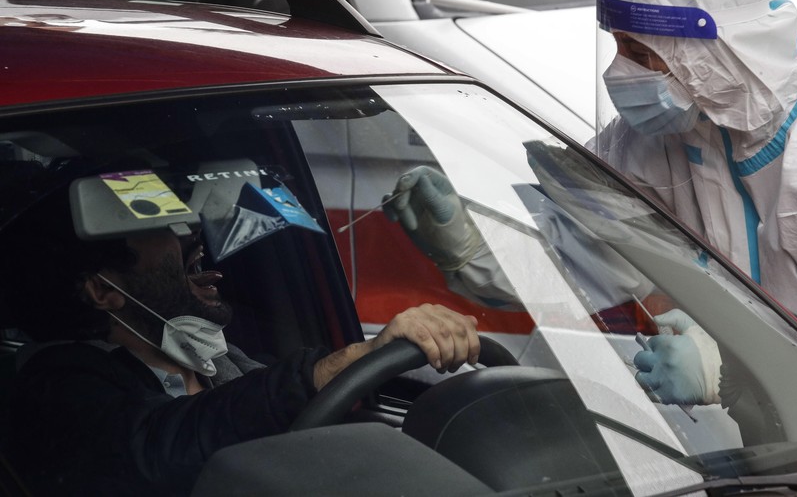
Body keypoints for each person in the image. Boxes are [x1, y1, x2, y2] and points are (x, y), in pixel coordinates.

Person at [385, 0, 797, 406]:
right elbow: (587, 253)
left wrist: (731, 372)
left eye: (639, 50)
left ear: (714, 49)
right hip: (777, 436)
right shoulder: (673, 130)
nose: (620, 70)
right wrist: (476, 247)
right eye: (617, 44)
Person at [3, 186, 480, 496]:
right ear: (105, 291)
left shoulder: (215, 355)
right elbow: (159, 449)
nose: (190, 232)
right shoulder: (56, 388)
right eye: (157, 226)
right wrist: (349, 361)